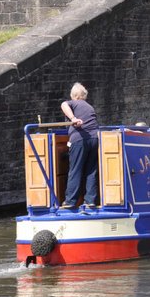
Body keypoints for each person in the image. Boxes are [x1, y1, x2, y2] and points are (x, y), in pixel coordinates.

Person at [60, 82, 101, 210]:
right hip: (95, 139)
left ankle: (70, 201)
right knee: (91, 170)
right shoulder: (90, 107)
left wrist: (73, 118)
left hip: (80, 140)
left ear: (74, 95)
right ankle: (90, 201)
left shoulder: (73, 103)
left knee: (75, 169)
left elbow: (63, 104)